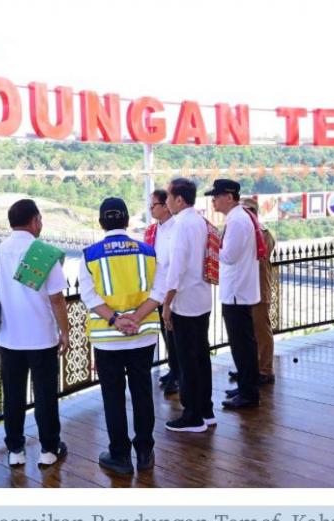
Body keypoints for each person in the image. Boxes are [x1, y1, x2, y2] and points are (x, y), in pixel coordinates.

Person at [79, 197, 166, 475]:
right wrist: (136, 319)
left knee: (113, 396)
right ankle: (144, 452)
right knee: (142, 392)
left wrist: (116, 320)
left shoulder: (90, 255)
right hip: (143, 334)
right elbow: (158, 292)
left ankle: (120, 455)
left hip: (108, 338)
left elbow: (89, 297)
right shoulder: (148, 251)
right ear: (127, 221)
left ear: (102, 222)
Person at [0, 199, 70, 467]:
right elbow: (56, 300)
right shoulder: (42, 251)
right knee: (44, 395)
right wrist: (64, 332)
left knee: (13, 395)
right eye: (40, 219)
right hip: (41, 336)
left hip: (8, 337)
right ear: (34, 221)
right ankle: (48, 449)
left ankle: (16, 451)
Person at [205, 179, 262, 409]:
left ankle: (249, 392)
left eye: (217, 197)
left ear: (229, 197)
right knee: (243, 342)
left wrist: (213, 245)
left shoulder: (237, 221)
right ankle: (246, 385)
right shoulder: (239, 217)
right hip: (238, 289)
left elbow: (228, 256)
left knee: (242, 343)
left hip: (237, 291)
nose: (214, 201)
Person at [163, 178, 214, 432]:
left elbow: (177, 268)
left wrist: (167, 303)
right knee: (201, 355)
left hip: (185, 300)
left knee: (186, 359)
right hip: (202, 296)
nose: (167, 202)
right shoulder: (199, 220)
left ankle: (192, 414)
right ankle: (206, 408)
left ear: (179, 200)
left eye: (169, 197)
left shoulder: (181, 225)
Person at [231, 197, 276, 385]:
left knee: (260, 330)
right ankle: (249, 368)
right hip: (243, 288)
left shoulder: (264, 234)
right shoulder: (244, 232)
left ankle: (265, 369)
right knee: (246, 332)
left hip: (258, 287)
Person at [143, 189, 180, 396]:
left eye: (153, 205)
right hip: (157, 289)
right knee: (166, 335)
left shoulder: (176, 229)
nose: (151, 209)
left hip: (172, 291)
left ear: (165, 206)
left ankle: (178, 373)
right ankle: (173, 369)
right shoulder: (153, 230)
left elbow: (173, 263)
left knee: (174, 334)